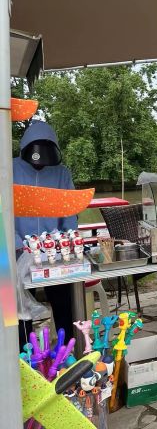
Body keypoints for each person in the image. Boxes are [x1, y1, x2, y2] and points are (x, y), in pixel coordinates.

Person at [13, 120, 77, 347]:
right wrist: (18, 244)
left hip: (54, 253)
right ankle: (23, 354)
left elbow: (69, 211)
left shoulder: (61, 173)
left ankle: (66, 349)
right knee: (17, 308)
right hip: (16, 252)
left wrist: (67, 241)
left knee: (63, 303)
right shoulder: (8, 169)